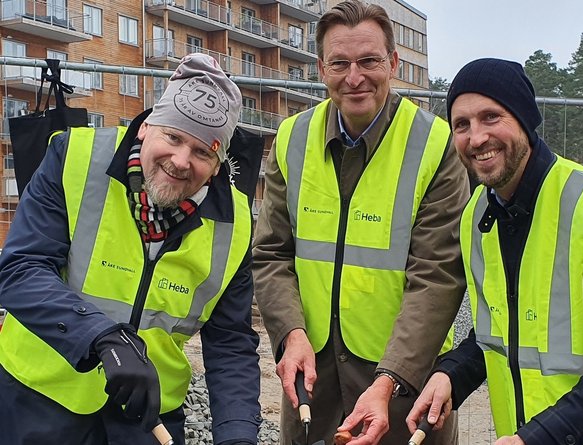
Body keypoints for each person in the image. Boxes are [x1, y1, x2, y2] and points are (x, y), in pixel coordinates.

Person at [0, 53, 263, 445]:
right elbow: (20, 269)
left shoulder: (236, 222)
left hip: (145, 420)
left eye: (202, 152)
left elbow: (230, 341)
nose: (180, 161)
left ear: (219, 163)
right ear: (147, 127)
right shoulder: (74, 159)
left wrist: (238, 434)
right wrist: (100, 336)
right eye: (173, 137)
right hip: (38, 403)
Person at [406, 58, 583, 444]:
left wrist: (533, 439)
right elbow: (498, 334)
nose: (475, 138)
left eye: (490, 117)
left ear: (525, 120)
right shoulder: (478, 214)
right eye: (461, 124)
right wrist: (449, 375)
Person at [252, 1, 469, 444]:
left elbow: (438, 275)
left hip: (404, 390)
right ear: (320, 68)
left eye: (369, 60)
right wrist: (290, 335)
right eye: (340, 63)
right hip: (313, 382)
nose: (355, 77)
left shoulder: (435, 145)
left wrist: (391, 380)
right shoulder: (292, 139)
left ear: (392, 62)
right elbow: (272, 253)